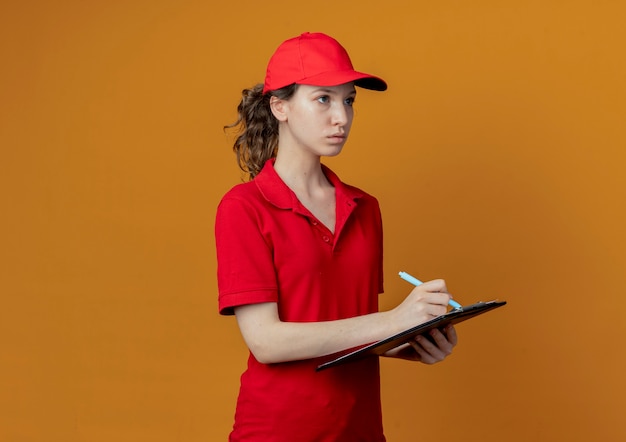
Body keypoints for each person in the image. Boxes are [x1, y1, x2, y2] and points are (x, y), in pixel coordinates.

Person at [216, 32, 458, 442]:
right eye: (323, 99)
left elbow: (347, 327)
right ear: (280, 107)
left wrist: (409, 340)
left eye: (348, 100)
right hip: (279, 431)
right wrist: (393, 319)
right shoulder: (244, 207)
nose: (341, 117)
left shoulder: (365, 208)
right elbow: (267, 342)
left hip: (360, 429)